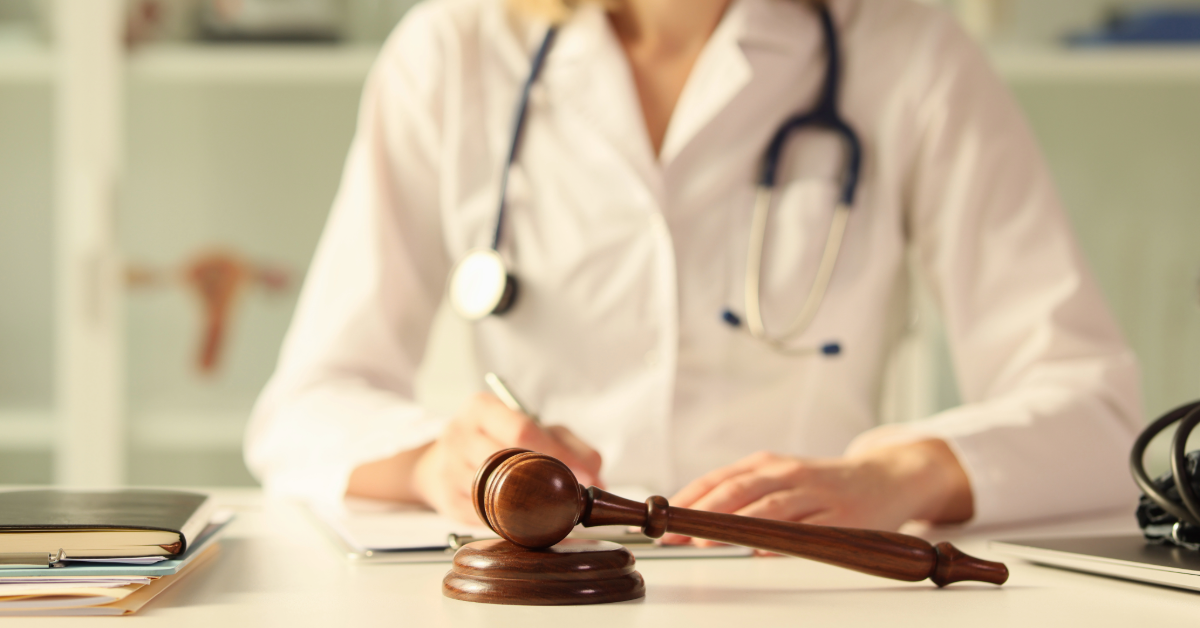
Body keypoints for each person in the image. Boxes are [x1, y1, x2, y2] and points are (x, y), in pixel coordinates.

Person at [244, 0, 1143, 535]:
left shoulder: (909, 54)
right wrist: (438, 464)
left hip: (808, 591)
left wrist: (901, 477)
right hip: (539, 589)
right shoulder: (453, 51)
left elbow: (1098, 412)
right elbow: (306, 407)